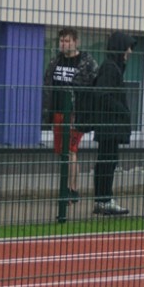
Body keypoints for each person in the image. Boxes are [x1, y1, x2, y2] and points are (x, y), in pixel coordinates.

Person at [43, 27, 98, 204]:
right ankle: (68, 188)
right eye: (61, 41)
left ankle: (70, 190)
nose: (63, 44)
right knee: (62, 152)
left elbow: (95, 87)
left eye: (67, 41)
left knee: (70, 150)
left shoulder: (86, 63)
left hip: (75, 114)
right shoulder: (55, 61)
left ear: (76, 42)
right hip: (58, 112)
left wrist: (84, 111)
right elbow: (48, 85)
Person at [91, 32, 136, 216]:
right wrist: (122, 111)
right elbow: (103, 94)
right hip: (109, 125)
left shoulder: (114, 67)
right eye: (128, 47)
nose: (130, 52)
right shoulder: (110, 68)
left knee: (108, 161)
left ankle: (103, 199)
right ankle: (104, 200)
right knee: (107, 162)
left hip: (110, 125)